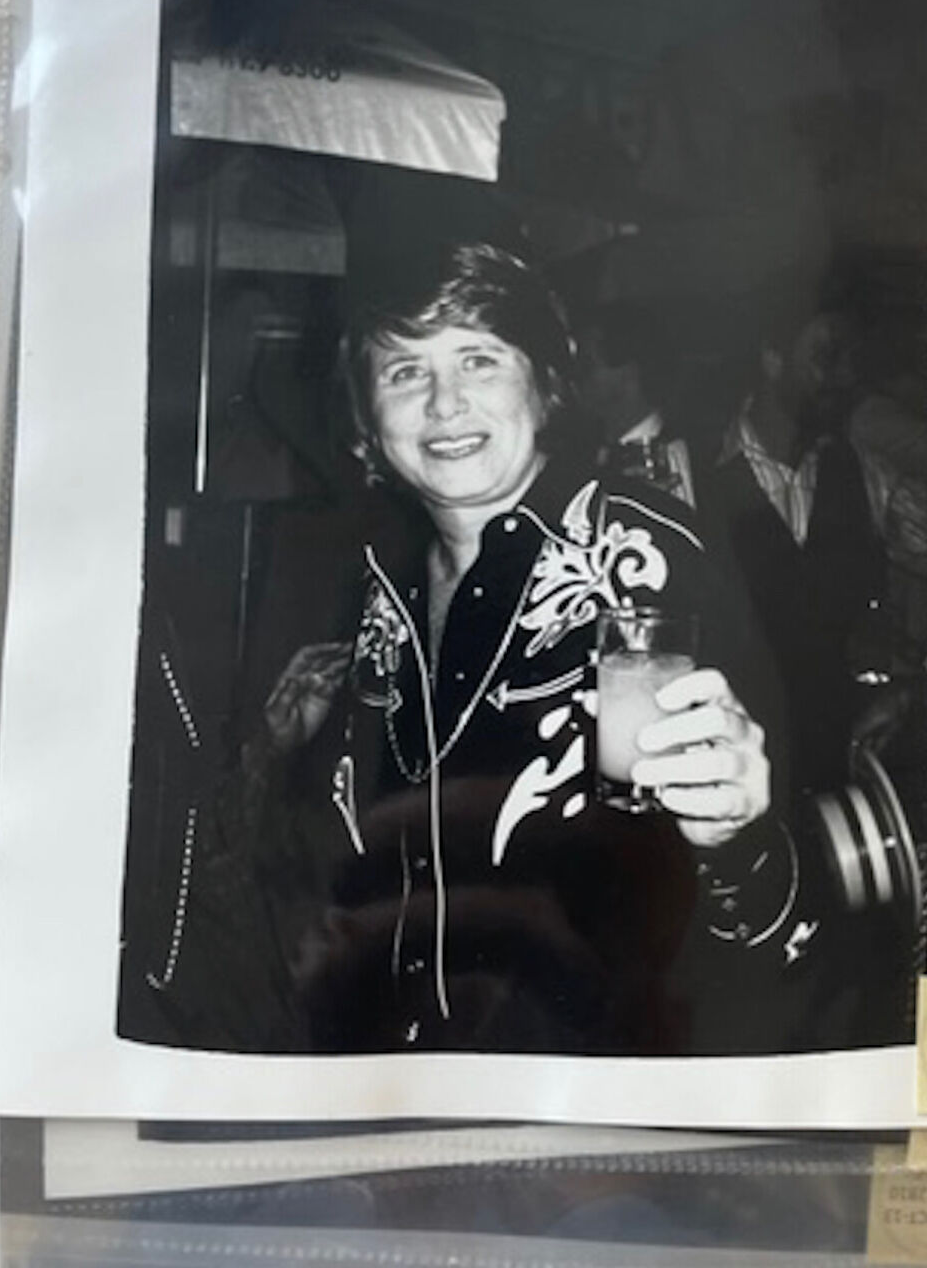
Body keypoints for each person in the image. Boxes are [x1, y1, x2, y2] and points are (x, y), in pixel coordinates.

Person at [253, 241, 835, 1056]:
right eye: (405, 371)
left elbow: (794, 913)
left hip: (600, 1090)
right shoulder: (375, 584)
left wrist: (738, 831)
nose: (445, 404)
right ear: (366, 418)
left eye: (479, 359)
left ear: (543, 382)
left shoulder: (648, 554)